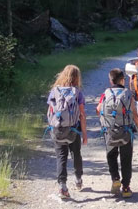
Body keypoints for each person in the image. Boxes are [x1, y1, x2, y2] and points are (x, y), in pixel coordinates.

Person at [96, 68, 138, 198]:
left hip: (110, 131)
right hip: (126, 132)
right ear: (123, 80)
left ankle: (115, 178)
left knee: (111, 156)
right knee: (126, 159)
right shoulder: (128, 94)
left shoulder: (105, 94)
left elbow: (98, 109)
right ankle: (126, 188)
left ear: (111, 81)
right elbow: (134, 113)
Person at [47, 65, 88, 199]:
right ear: (77, 78)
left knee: (61, 156)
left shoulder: (54, 91)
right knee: (76, 154)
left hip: (57, 130)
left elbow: (50, 112)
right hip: (73, 130)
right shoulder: (77, 93)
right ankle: (78, 179)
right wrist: (85, 135)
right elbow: (82, 115)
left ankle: (62, 186)